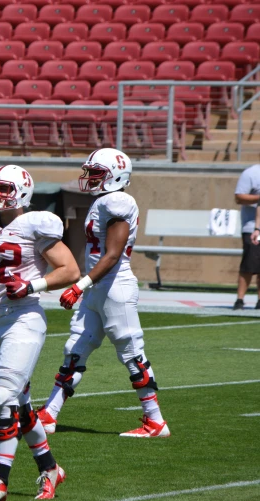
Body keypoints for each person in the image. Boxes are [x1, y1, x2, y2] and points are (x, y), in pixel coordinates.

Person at [37, 148, 171, 439]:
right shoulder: (105, 201)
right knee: (75, 349)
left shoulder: (118, 202)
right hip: (99, 287)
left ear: (116, 176)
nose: (89, 178)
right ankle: (49, 413)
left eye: (97, 173)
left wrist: (79, 285)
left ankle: (155, 421)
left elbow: (112, 255)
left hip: (114, 286)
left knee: (132, 353)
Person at [0, 165, 79, 501]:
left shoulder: (34, 224)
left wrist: (33, 284)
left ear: (22, 194)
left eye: (3, 189)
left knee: (1, 398)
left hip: (24, 319)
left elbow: (71, 269)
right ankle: (49, 468)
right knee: (18, 403)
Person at [234, 164, 260, 310]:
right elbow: (239, 197)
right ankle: (240, 299)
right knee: (249, 264)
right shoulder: (252, 173)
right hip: (254, 229)